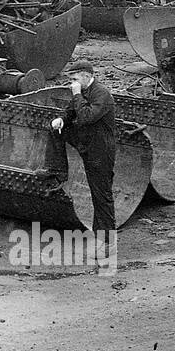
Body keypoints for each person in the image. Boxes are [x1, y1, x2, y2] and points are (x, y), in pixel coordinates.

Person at [49, 61, 117, 242]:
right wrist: (62, 119)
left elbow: (86, 117)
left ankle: (106, 242)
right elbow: (72, 111)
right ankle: (58, 172)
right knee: (54, 129)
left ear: (86, 76)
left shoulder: (101, 94)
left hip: (101, 151)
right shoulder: (84, 92)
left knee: (102, 196)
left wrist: (77, 94)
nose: (72, 83)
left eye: (75, 78)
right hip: (88, 145)